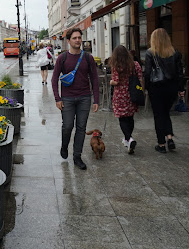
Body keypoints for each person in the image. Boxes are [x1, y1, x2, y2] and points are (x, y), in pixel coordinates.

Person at [51, 28, 100, 170]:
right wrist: (57, 98)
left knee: (81, 128)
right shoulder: (62, 58)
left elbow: (95, 79)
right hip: (67, 98)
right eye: (74, 38)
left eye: (79, 38)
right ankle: (64, 146)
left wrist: (96, 99)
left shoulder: (88, 58)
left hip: (85, 97)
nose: (78, 40)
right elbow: (54, 80)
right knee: (67, 126)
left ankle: (77, 156)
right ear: (68, 41)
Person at [144, 28, 184, 154]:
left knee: (158, 115)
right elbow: (180, 73)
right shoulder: (175, 53)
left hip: (156, 88)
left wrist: (146, 88)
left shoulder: (150, 53)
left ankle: (161, 144)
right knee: (166, 113)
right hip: (171, 88)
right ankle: (170, 138)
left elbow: (147, 73)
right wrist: (181, 89)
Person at [109, 45, 142, 154]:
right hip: (132, 94)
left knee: (122, 118)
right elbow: (140, 78)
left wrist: (111, 82)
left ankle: (129, 138)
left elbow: (116, 81)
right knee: (130, 117)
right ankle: (128, 139)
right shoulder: (135, 64)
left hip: (120, 95)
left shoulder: (116, 65)